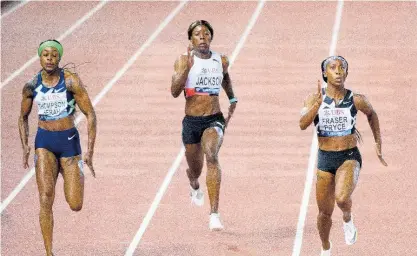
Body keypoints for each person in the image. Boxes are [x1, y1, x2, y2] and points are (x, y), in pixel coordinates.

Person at [299, 56, 387, 255]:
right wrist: (317, 106)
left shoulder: (355, 99)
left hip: (349, 157)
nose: (338, 71)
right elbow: (302, 124)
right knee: (324, 213)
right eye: (333, 68)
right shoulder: (314, 98)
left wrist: (378, 143)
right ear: (324, 73)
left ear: (347, 73)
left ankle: (347, 217)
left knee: (341, 197)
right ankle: (326, 248)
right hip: (325, 158)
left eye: (342, 68)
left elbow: (372, 114)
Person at [18, 39, 97, 256]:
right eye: (46, 55)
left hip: (69, 142)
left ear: (59, 57)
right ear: (40, 57)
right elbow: (23, 117)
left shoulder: (71, 82)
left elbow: (90, 114)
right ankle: (49, 253)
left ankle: (70, 171)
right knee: (45, 197)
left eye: (54, 55)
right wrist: (25, 145)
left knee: (75, 204)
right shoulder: (31, 86)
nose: (50, 58)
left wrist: (90, 151)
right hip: (44, 143)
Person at [170, 20, 237, 231]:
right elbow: (173, 91)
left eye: (206, 34)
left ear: (211, 38)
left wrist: (232, 98)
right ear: (190, 40)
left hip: (213, 119)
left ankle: (214, 213)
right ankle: (194, 184)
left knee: (212, 156)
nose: (202, 37)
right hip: (191, 121)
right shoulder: (183, 61)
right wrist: (186, 71)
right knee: (195, 169)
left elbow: (225, 77)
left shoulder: (221, 59)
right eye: (198, 34)